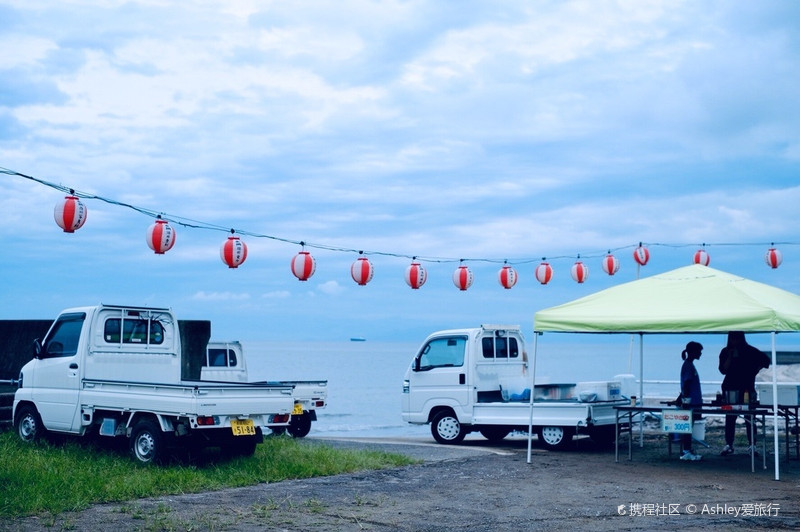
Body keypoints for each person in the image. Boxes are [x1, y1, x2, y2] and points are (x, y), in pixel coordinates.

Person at [718, 331, 771, 456]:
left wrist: (754, 370)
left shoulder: (750, 351)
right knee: (730, 417)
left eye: (736, 338)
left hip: (747, 388)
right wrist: (730, 357)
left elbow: (766, 361)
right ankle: (729, 444)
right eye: (732, 338)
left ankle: (752, 445)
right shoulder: (725, 352)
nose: (733, 341)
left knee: (750, 418)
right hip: (730, 389)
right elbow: (722, 370)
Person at [679, 341, 704, 461]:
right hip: (691, 403)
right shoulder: (688, 365)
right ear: (693, 352)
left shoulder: (690, 365)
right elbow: (687, 383)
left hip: (694, 402)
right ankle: (686, 451)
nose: (700, 354)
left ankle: (687, 450)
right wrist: (686, 399)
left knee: (689, 427)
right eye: (699, 351)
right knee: (687, 427)